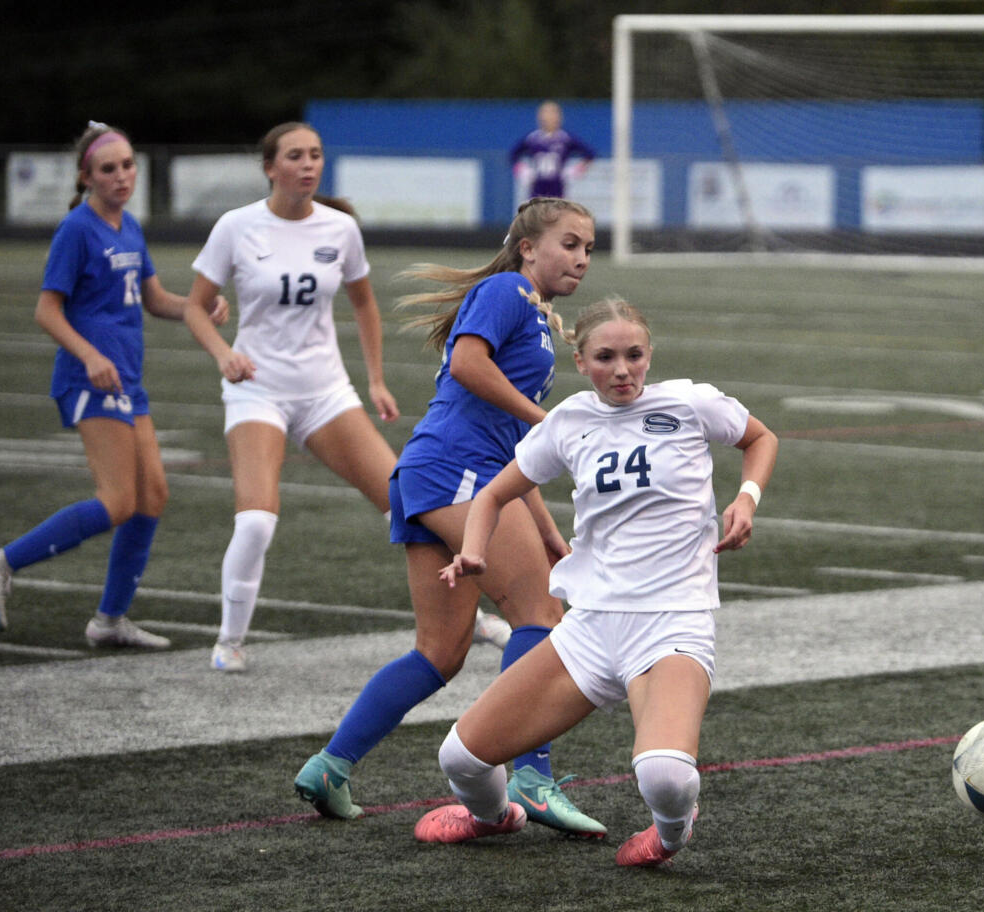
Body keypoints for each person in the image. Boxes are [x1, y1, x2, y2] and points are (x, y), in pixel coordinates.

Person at [412, 297, 779, 867]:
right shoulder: (570, 420)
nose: (623, 369)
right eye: (606, 357)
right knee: (460, 757)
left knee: (663, 774)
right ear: (580, 362)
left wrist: (746, 500)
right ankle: (494, 818)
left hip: (672, 622)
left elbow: (761, 439)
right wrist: (473, 552)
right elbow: (492, 495)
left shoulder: (689, 403)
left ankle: (672, 833)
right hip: (588, 628)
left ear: (650, 354)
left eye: (634, 355)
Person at [294, 197, 607, 838]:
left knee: (440, 653)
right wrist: (551, 421)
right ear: (528, 247)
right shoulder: (509, 290)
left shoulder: (533, 310)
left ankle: (331, 765)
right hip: (454, 470)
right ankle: (533, 776)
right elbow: (468, 365)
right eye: (570, 244)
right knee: (540, 616)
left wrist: (549, 532)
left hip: (437, 473)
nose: (581, 259)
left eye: (588, 249)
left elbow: (509, 448)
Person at [0, 121, 229, 647]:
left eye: (128, 165)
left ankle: (109, 620)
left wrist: (199, 305)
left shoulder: (129, 226)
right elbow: (47, 310)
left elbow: (153, 299)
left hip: (128, 380)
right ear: (86, 177)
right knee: (117, 502)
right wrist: (88, 355)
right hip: (90, 380)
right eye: (108, 169)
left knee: (152, 496)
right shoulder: (77, 229)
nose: (121, 175)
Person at [183, 121, 404, 673]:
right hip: (258, 389)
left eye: (316, 155)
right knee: (256, 520)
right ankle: (228, 642)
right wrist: (222, 354)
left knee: (408, 505)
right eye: (295, 156)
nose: (308, 165)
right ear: (270, 167)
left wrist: (375, 380)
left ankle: (467, 621)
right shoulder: (237, 227)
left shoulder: (341, 229)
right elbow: (194, 305)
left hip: (325, 391)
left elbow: (364, 305)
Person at [509, 100, 595, 201]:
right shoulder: (532, 138)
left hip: (558, 188)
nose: (549, 117)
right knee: (536, 213)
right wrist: (523, 171)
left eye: (553, 113)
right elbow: (513, 155)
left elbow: (590, 154)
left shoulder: (565, 138)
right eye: (545, 113)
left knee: (558, 213)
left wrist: (575, 171)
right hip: (537, 188)